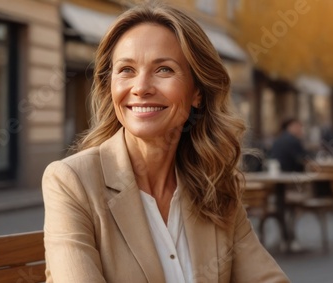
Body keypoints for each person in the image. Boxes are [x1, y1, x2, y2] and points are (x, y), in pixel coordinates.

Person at [42, 3, 289, 283]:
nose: (141, 87)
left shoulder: (215, 184)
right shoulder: (72, 182)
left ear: (197, 92)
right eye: (126, 70)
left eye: (163, 70)